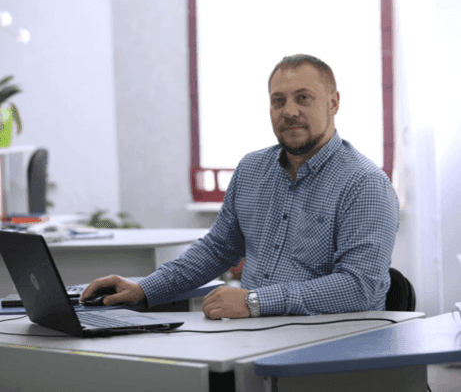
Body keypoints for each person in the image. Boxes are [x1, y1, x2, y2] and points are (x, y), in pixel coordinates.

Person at [81, 54, 400, 319]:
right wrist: (145, 289)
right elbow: (217, 248)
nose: (289, 111)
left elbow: (361, 287)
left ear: (333, 103)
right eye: (278, 101)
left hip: (332, 342)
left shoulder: (365, 183)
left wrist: (255, 302)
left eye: (303, 98)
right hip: (252, 335)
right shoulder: (251, 169)